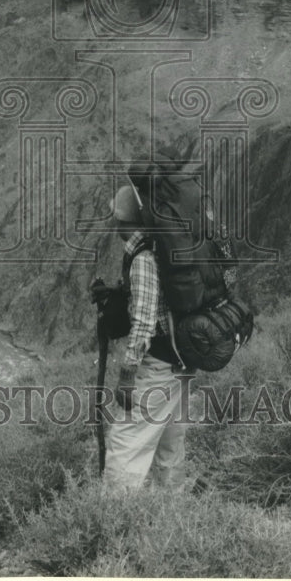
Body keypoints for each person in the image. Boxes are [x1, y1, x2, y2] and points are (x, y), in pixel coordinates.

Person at [97, 183, 191, 491]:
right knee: (170, 444)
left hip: (157, 369)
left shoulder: (143, 258)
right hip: (181, 363)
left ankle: (116, 523)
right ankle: (170, 515)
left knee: (126, 443)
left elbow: (144, 323)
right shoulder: (164, 247)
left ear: (124, 222)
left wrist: (127, 375)